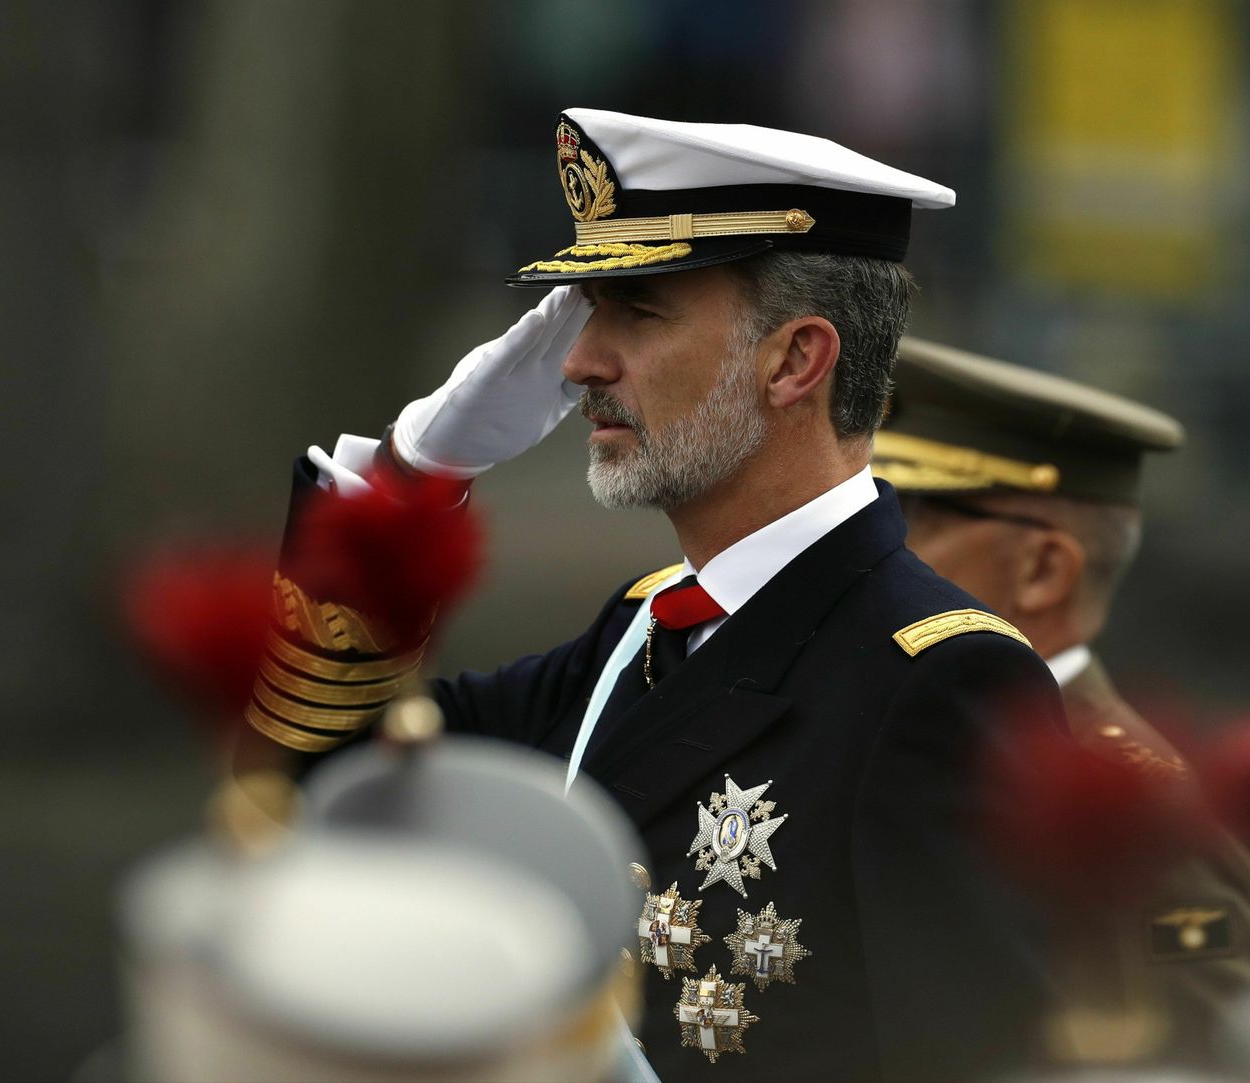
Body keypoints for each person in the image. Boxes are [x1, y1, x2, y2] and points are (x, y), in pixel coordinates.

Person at [248, 109, 1066, 1081]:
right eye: (589, 311)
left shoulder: (943, 682)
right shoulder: (639, 630)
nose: (577, 362)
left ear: (795, 360)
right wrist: (406, 483)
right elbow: (309, 808)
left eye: (636, 311)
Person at [874, 336, 1250, 1070]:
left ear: (1043, 569)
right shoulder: (938, 728)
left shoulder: (1140, 810)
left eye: (904, 522)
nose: (865, 553)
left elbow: (1202, 1043)